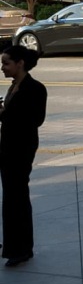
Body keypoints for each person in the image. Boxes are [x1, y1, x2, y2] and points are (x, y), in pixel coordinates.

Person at [0, 43, 47, 268]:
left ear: (20, 64)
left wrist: (7, 114)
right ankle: (14, 245)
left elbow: (35, 119)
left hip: (21, 148)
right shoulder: (13, 86)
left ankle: (20, 248)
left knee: (16, 196)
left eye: (6, 63)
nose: (2, 68)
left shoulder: (35, 88)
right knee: (11, 196)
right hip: (7, 146)